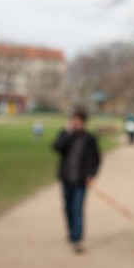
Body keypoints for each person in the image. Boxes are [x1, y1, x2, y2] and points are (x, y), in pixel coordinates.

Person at [53, 108, 101, 252]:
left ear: (84, 122)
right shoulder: (67, 135)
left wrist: (91, 175)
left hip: (81, 180)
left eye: (79, 120)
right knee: (67, 208)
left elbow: (96, 159)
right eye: (74, 120)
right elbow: (56, 147)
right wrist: (66, 132)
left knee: (77, 209)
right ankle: (71, 232)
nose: (76, 123)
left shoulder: (89, 139)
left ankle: (77, 239)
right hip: (66, 178)